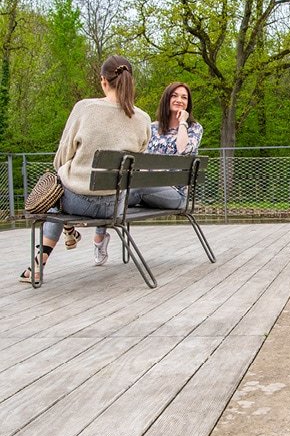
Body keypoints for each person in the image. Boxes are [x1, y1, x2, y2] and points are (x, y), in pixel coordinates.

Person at [19, 55, 151, 283]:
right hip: (116, 206)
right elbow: (137, 161)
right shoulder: (143, 118)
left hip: (79, 201)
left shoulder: (85, 108)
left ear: (103, 81)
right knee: (60, 194)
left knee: (54, 196)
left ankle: (39, 263)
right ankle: (69, 231)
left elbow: (61, 158)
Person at [129, 82, 203, 209]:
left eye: (184, 97)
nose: (179, 100)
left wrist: (183, 122)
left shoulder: (194, 129)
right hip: (146, 188)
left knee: (135, 190)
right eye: (174, 96)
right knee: (114, 191)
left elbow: (183, 150)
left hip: (175, 194)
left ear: (188, 103)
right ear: (167, 99)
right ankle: (102, 227)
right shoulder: (152, 128)